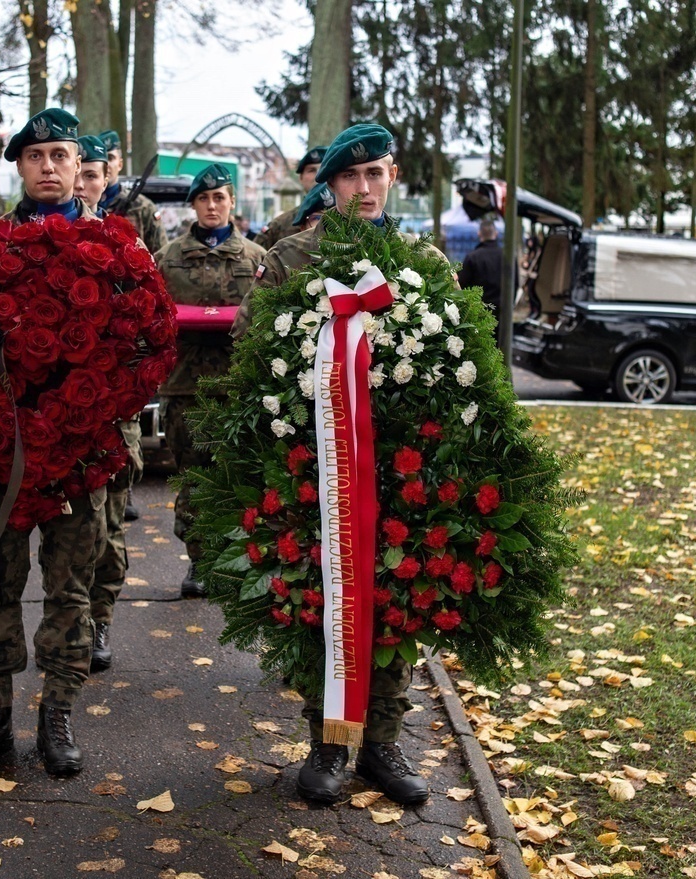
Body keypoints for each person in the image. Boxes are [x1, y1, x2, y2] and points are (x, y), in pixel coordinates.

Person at [232, 123, 448, 807]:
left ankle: (381, 741)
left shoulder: (424, 260)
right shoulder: (293, 259)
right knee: (322, 601)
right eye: (350, 177)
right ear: (329, 184)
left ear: (393, 177)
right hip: (314, 466)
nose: (363, 187)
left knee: (396, 598)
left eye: (375, 174)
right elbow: (249, 343)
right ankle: (329, 740)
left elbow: (457, 357)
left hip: (398, 467)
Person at [0, 108, 109, 779]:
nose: (49, 166)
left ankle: (58, 713)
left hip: (78, 450)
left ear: (82, 167)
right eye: (36, 155)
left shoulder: (113, 251)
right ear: (18, 166)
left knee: (71, 589)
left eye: (61, 155)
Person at [154, 164, 266, 598]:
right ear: (194, 205)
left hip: (238, 385)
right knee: (194, 478)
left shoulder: (256, 259)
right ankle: (199, 560)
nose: (212, 206)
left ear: (232, 202)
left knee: (238, 477)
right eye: (204, 199)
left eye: (220, 198)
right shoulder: (169, 258)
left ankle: (235, 559)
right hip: (186, 385)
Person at [73, 133, 144, 674]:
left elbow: (149, 327)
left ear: (105, 181)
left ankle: (98, 619)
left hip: (112, 412)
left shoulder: (126, 245)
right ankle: (65, 621)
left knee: (108, 525)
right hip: (53, 415)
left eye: (92, 174)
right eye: (77, 171)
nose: (82, 182)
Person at [97, 130, 167, 253]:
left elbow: (161, 256)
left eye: (110, 158)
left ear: (120, 164)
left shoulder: (143, 207)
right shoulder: (81, 203)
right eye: (101, 159)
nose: (106, 165)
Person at [253, 146, 327, 251]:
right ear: (300, 178)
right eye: (311, 170)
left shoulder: (352, 217)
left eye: (324, 168)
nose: (319, 175)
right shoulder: (279, 225)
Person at [456, 216, 503, 323]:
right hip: (503, 311)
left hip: (478, 312)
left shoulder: (472, 257)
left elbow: (461, 285)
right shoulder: (508, 257)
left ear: (479, 234)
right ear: (496, 233)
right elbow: (515, 283)